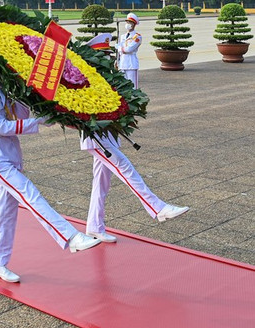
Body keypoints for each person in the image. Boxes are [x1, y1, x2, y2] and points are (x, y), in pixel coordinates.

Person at [0, 44, 100, 283]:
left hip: (11, 155)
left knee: (6, 213)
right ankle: (70, 237)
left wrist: (45, 111)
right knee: (31, 194)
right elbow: (2, 127)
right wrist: (36, 123)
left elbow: (20, 113)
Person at [79, 33, 189, 242]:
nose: (110, 58)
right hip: (96, 138)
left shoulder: (103, 77)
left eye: (109, 54)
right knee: (125, 168)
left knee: (101, 183)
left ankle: (94, 226)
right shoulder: (85, 80)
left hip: (108, 136)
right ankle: (158, 208)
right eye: (104, 55)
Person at [118, 12, 142, 87]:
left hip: (131, 63)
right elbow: (119, 50)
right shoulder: (122, 36)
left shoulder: (137, 37)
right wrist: (117, 61)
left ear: (134, 24)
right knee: (123, 86)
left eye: (130, 22)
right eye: (127, 22)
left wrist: (120, 48)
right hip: (122, 63)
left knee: (133, 86)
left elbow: (129, 49)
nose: (128, 24)